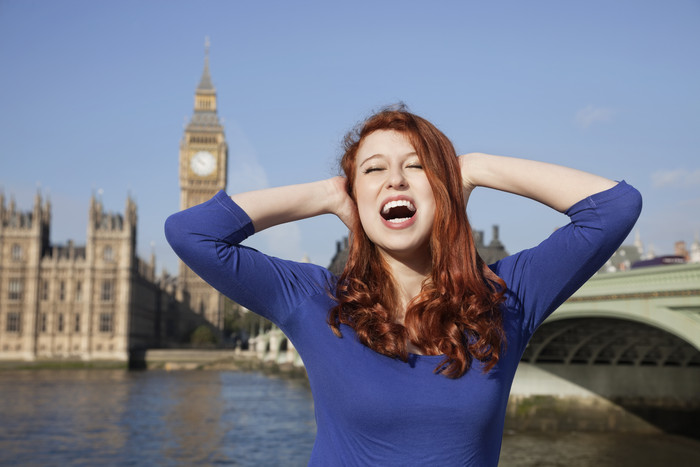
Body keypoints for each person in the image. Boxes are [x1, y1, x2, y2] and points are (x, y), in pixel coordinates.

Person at [165, 107, 642, 466]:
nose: (394, 178)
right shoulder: (315, 301)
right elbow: (191, 233)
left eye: (416, 166)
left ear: (443, 188)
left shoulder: (505, 298)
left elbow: (614, 208)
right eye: (373, 170)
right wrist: (330, 194)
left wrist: (472, 168)